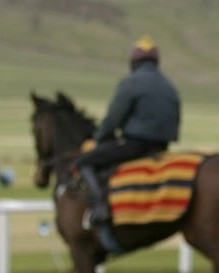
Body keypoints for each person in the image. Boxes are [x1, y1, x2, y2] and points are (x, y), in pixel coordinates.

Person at [75, 36, 181, 253]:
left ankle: (100, 209)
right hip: (161, 147)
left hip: (136, 145)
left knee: (84, 161)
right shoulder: (168, 84)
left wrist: (99, 138)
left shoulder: (131, 83)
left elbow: (114, 118)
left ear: (134, 62)